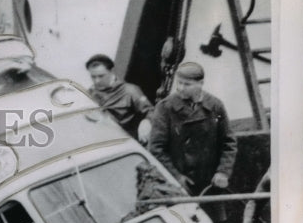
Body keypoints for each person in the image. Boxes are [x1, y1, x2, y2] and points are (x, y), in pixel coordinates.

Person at [148, 62, 238, 195]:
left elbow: (229, 143)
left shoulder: (215, 106)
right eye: (179, 83)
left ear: (200, 84)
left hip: (210, 183)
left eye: (187, 84)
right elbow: (156, 149)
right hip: (177, 183)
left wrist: (223, 172)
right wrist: (176, 177)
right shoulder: (165, 108)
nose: (180, 88)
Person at [84, 54, 154, 142]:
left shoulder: (130, 91)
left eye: (101, 76)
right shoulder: (90, 93)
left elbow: (151, 112)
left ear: (111, 72)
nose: (96, 81)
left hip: (122, 141)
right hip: (96, 140)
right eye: (93, 77)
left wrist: (147, 122)